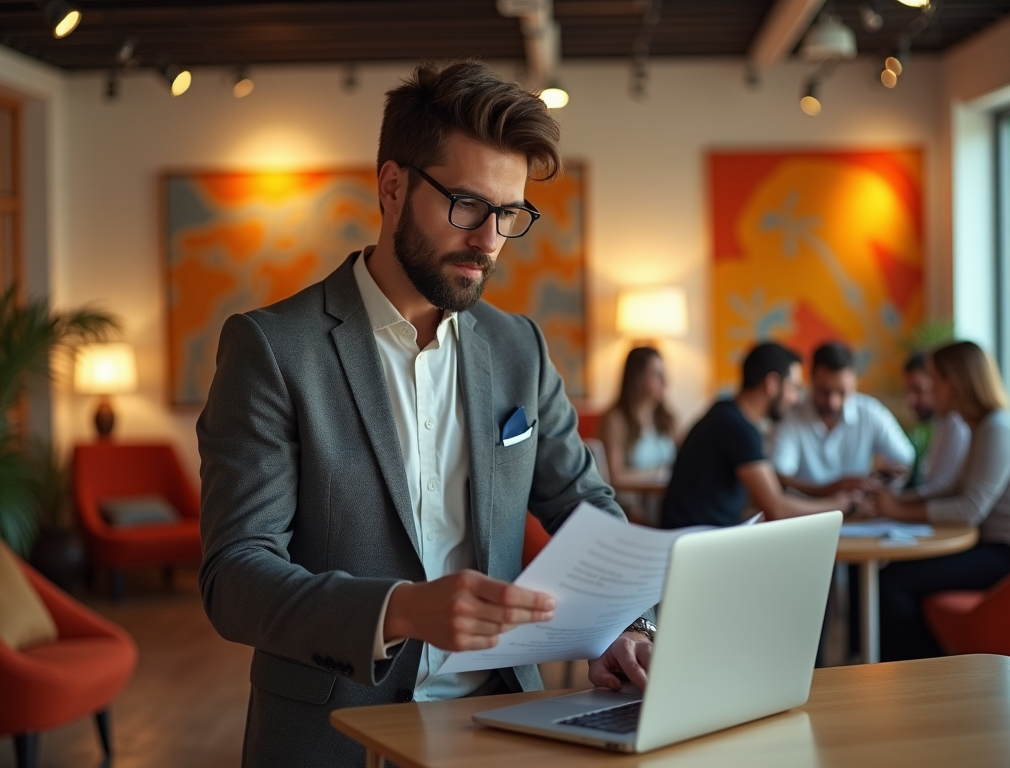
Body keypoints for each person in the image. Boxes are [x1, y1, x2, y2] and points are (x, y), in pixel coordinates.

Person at [197, 61, 655, 768]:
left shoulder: (519, 348)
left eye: (510, 215)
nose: (490, 240)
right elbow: (234, 576)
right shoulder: (272, 349)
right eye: (469, 206)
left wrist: (623, 622)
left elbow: (584, 503)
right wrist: (401, 610)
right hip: (336, 733)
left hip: (503, 723)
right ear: (392, 186)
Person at [874, 341, 1010, 661]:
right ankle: (921, 670)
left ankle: (915, 676)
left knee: (894, 580)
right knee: (896, 575)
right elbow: (953, 488)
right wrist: (897, 499)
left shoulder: (997, 429)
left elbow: (970, 510)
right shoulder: (982, 427)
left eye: (933, 379)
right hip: (995, 548)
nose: (929, 390)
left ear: (952, 384)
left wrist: (898, 510)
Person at [661, 341, 851, 529]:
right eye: (793, 388)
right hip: (695, 545)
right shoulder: (737, 428)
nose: (796, 398)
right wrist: (838, 505)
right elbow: (777, 508)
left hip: (692, 537)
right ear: (772, 384)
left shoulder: (725, 413)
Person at [771, 341, 915, 497]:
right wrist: (835, 489)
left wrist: (878, 482)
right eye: (824, 391)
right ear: (811, 380)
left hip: (860, 514)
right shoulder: (791, 416)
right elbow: (780, 477)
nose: (833, 402)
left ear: (855, 383)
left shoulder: (870, 411)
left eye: (842, 392)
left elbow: (904, 459)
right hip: (806, 515)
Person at [601, 347, 677, 520]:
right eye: (656, 374)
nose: (665, 382)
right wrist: (657, 474)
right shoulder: (616, 419)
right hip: (632, 505)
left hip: (666, 501)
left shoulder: (667, 419)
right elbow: (615, 476)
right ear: (636, 378)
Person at [903, 351, 971, 495]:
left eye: (918, 390)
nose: (911, 400)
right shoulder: (942, 424)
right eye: (908, 391)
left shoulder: (956, 425)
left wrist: (894, 505)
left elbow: (940, 493)